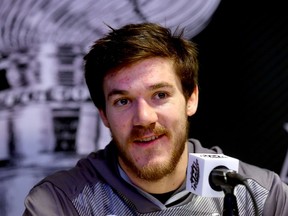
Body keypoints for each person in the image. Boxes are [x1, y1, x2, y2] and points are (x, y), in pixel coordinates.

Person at [23, 22, 288, 216]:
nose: (144, 118)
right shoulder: (60, 203)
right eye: (123, 101)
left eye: (159, 95)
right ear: (104, 115)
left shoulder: (260, 195)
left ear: (191, 98)